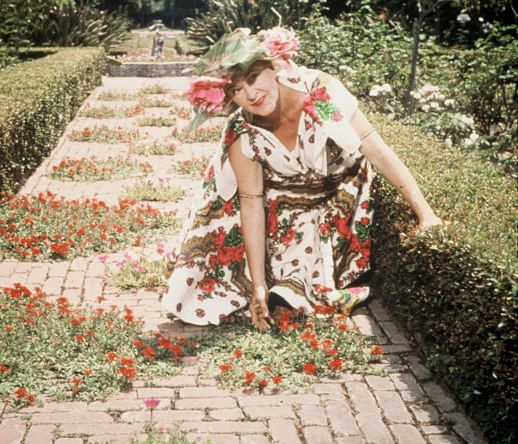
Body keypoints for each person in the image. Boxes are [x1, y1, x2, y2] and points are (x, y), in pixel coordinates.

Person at [161, 27, 442, 330]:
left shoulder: (318, 94)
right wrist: (257, 284)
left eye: (254, 77)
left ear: (273, 67)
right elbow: (252, 204)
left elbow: (377, 151)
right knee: (214, 280)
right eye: (236, 91)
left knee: (311, 288)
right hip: (279, 204)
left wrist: (426, 214)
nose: (251, 95)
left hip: (334, 195)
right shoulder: (242, 132)